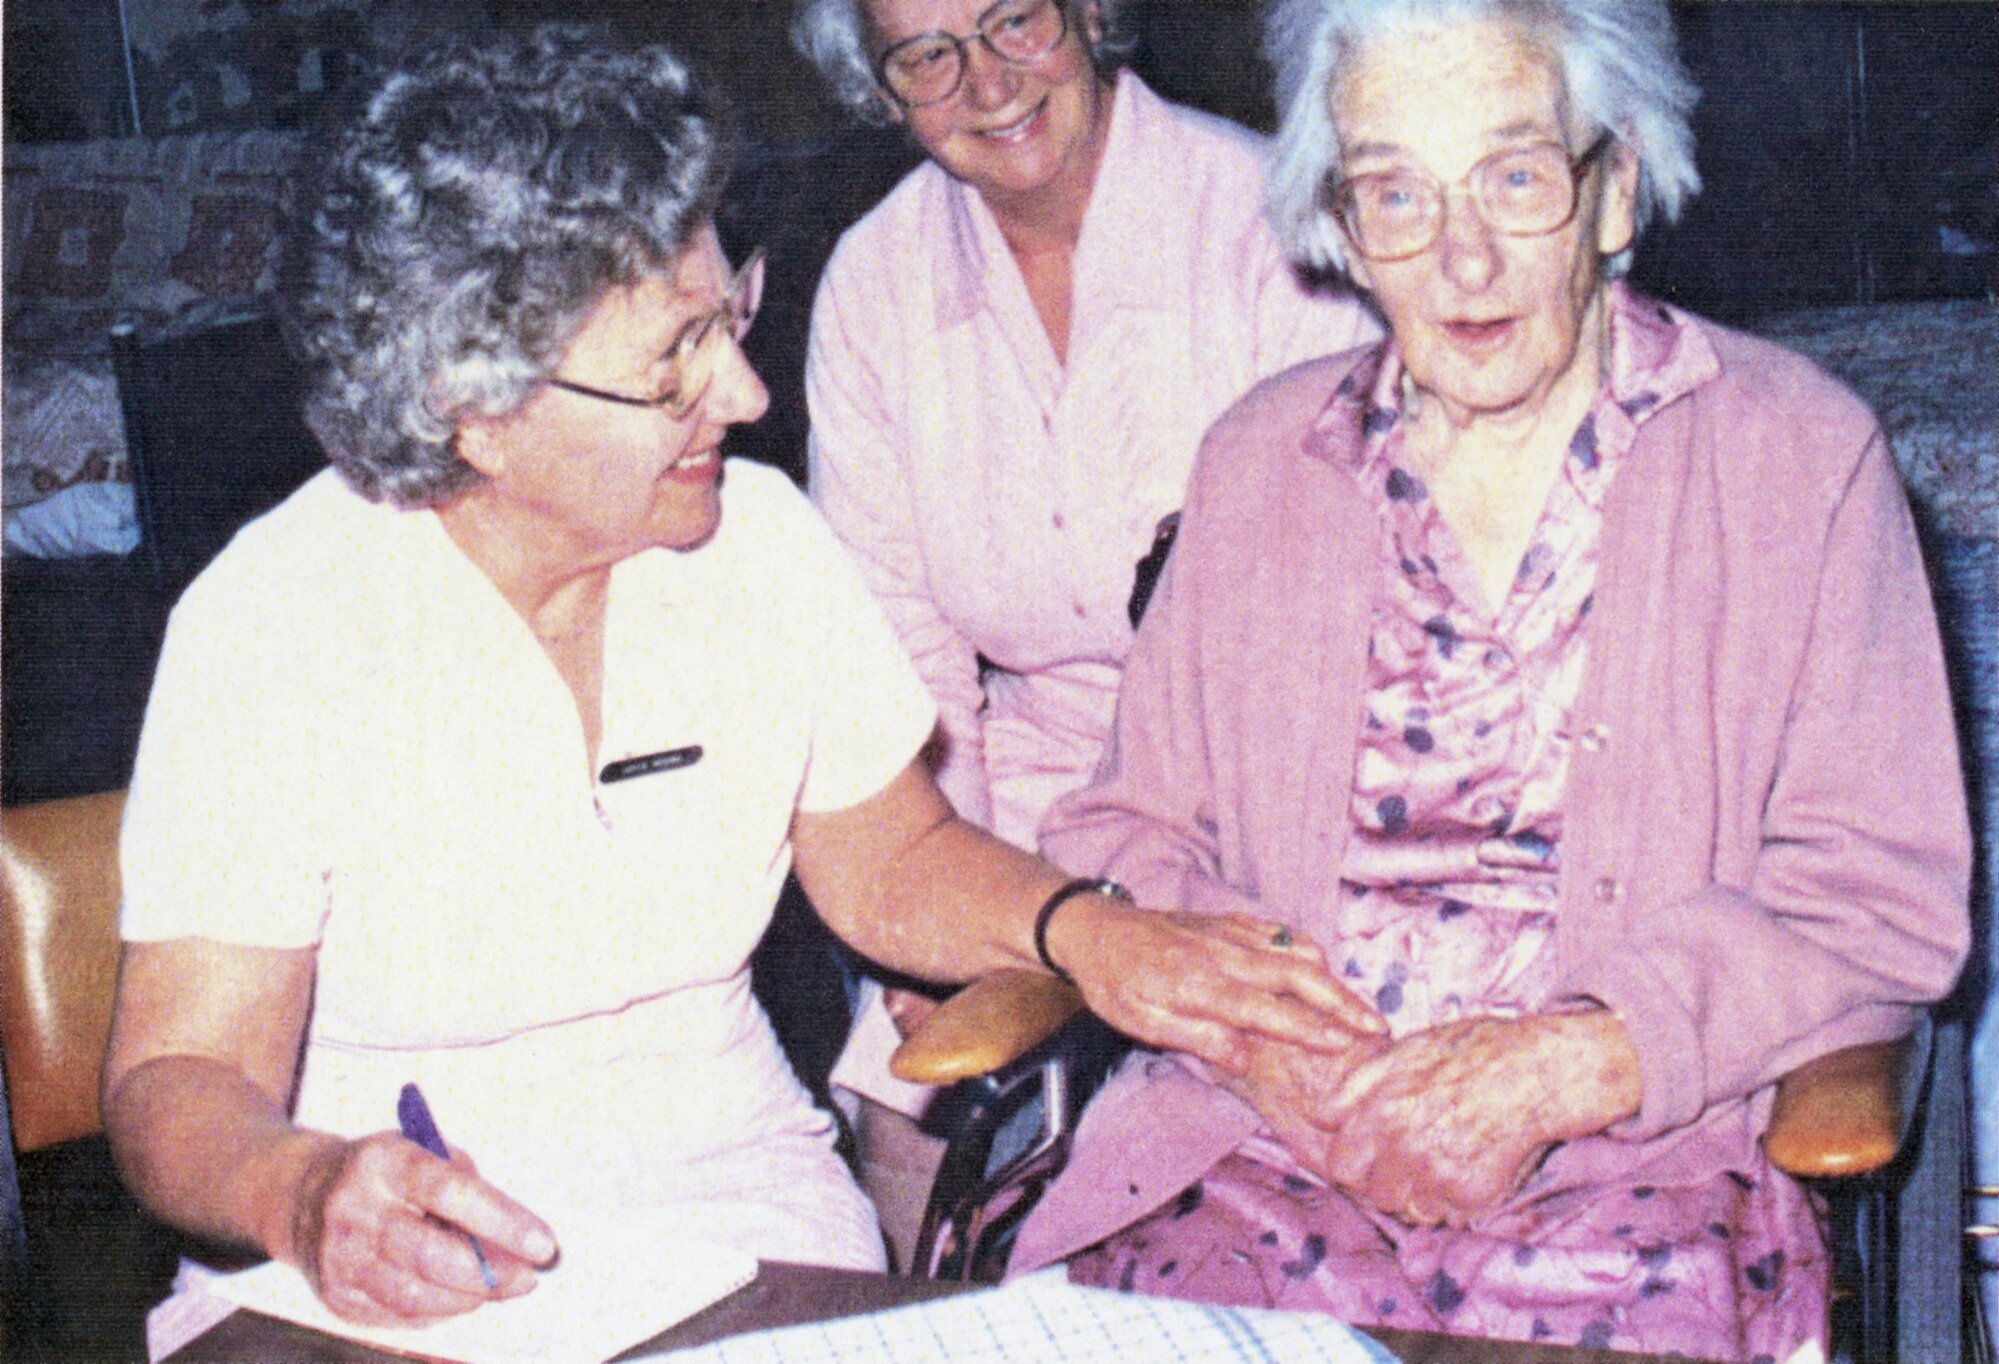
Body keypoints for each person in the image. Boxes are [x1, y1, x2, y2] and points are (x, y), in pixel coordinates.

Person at [99, 26, 1381, 1349]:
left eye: (733, 315)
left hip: (736, 1217)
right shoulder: (278, 625)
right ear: (471, 410)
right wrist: (303, 1189)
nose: (747, 389)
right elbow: (179, 1077)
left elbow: (890, 859)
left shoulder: (752, 545)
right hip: (387, 1249)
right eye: (673, 364)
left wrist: (1087, 932)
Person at [1010, 1, 1974, 1358]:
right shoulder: (1256, 462)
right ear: (1338, 228)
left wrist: (1575, 1060)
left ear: (1613, 186)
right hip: (1259, 1164)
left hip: (1633, 1184)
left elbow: (1877, 894)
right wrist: (1259, 1032)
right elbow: (1129, 831)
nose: (1460, 256)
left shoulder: (1799, 463)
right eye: (1394, 193)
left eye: (1513, 176)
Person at [791, 0, 1378, 1264]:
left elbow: (1350, 616)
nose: (984, 81)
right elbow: (901, 659)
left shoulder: (1269, 223)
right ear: (881, 90)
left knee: (1277, 1125)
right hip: (1025, 767)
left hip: (1290, 772)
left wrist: (1173, 901)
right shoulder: (873, 286)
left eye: (1013, 22)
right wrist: (941, 895)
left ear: (1090, 14)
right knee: (908, 1078)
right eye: (924, 56)